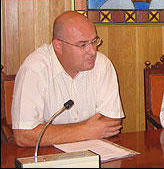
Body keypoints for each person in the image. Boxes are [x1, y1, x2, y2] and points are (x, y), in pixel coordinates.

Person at [11, 11, 125, 147]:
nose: (93, 51)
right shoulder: (34, 69)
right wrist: (85, 131)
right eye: (82, 45)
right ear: (58, 46)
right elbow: (24, 135)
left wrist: (55, 133)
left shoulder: (102, 65)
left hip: (95, 152)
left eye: (94, 42)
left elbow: (112, 123)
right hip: (49, 156)